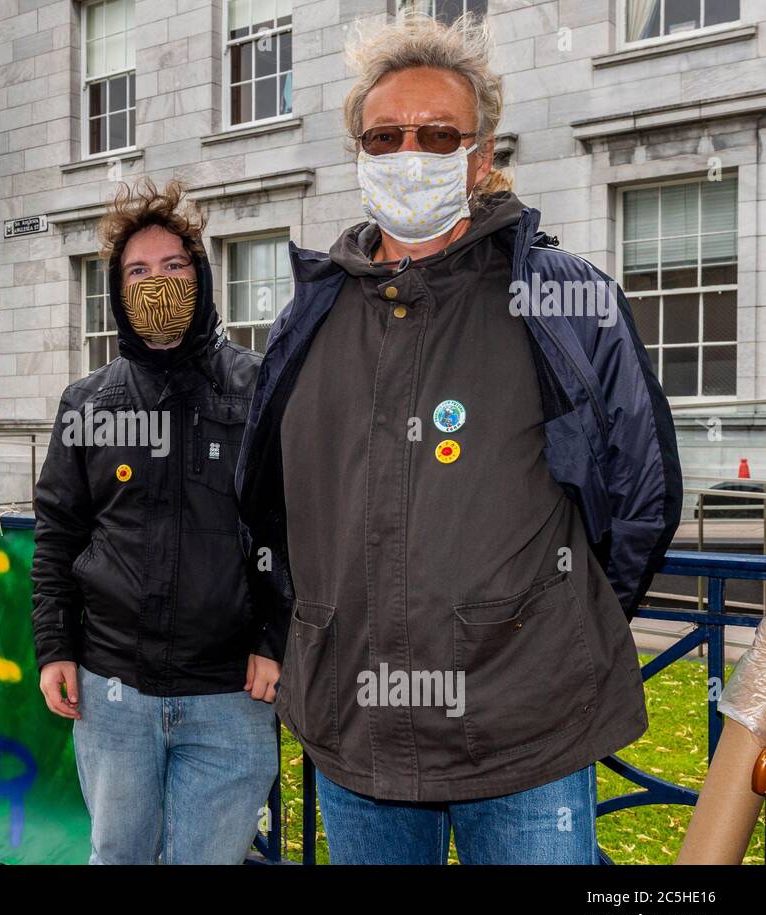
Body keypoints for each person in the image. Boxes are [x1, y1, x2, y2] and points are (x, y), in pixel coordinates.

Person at [235, 12, 682, 865]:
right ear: (360, 153)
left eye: (438, 133)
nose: (410, 149)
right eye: (387, 133)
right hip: (354, 733)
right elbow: (273, 505)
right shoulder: (309, 313)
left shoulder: (562, 301)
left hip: (526, 737)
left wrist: (548, 626)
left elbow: (641, 496)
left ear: (479, 159)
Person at [31, 177, 279, 864]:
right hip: (114, 693)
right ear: (116, 291)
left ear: (200, 276)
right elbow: (57, 535)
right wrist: (55, 648)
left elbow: (290, 526)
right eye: (137, 271)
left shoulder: (260, 388)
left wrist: (276, 636)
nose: (156, 284)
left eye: (173, 266)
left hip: (230, 693)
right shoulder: (87, 401)